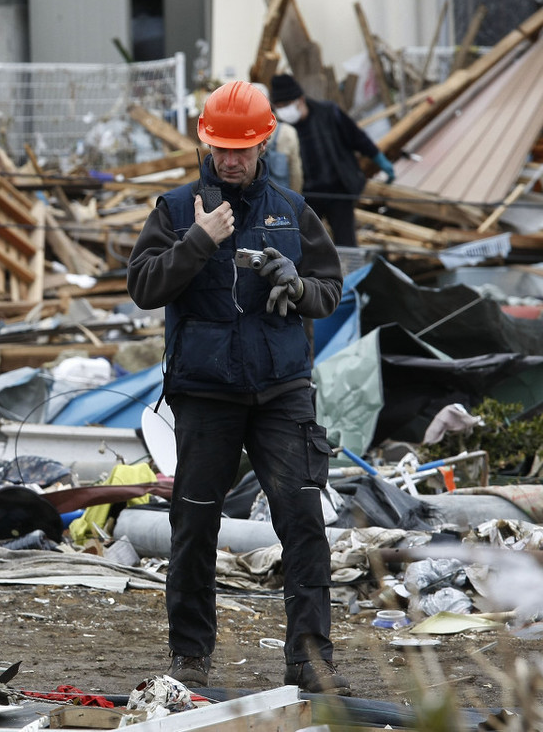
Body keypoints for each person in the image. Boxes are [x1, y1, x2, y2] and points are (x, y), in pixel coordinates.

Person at [126, 81, 348, 694]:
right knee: (194, 526)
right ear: (206, 141)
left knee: (303, 526)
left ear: (264, 141)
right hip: (205, 396)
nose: (230, 159)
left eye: (242, 148)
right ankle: (190, 659)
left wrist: (296, 285)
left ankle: (312, 667)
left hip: (281, 394)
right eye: (221, 147)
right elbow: (143, 287)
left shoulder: (292, 209)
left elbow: (330, 290)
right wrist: (200, 242)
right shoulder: (175, 211)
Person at [269, 73, 395, 248]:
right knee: (308, 243)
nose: (284, 110)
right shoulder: (283, 130)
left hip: (339, 190)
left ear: (300, 100)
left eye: (287, 105)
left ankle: (349, 273)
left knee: (346, 241)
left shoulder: (328, 112)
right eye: (279, 106)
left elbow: (357, 138)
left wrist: (380, 160)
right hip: (307, 196)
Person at [251, 82, 303, 193]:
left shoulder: (237, 133)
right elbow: (295, 173)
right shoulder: (288, 132)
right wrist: (294, 201)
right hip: (281, 201)